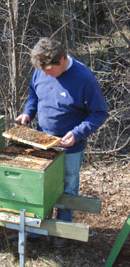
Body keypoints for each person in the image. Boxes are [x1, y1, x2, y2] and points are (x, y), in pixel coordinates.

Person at [16, 37, 109, 247]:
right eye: (43, 71)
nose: (46, 74)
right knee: (40, 186)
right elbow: (33, 92)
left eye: (49, 70)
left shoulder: (84, 78)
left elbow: (99, 113)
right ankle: (36, 230)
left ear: (63, 59)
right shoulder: (42, 68)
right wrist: (27, 113)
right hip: (42, 141)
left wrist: (77, 133)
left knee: (67, 189)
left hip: (70, 148)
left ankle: (61, 234)